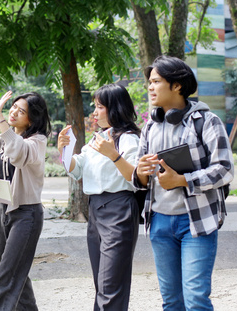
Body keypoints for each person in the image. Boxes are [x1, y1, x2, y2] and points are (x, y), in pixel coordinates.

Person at [134, 55, 234, 310]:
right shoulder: (149, 127)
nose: (150, 87)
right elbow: (142, 180)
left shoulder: (207, 122)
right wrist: (142, 171)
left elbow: (224, 169)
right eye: (150, 82)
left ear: (177, 85)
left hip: (196, 222)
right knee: (171, 301)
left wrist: (183, 180)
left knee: (196, 299)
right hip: (159, 222)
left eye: (156, 81)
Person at [57, 84, 141, 311]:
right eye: (95, 106)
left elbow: (135, 177)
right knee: (102, 282)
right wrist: (64, 151)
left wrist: (113, 154)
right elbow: (78, 169)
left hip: (118, 208)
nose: (95, 112)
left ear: (115, 108)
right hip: (95, 210)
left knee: (110, 283)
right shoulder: (99, 139)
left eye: (100, 106)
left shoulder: (128, 139)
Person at [0, 90, 51, 311]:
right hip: (3, 210)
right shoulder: (5, 137)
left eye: (21, 111)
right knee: (16, 273)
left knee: (7, 276)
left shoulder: (38, 142)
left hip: (26, 215)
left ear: (33, 118)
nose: (13, 113)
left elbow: (19, 154)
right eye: (13, 107)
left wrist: (0, 118)